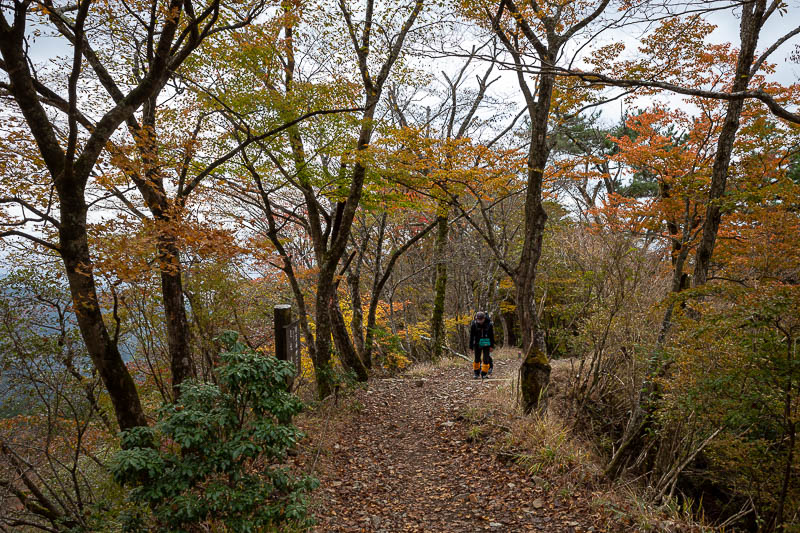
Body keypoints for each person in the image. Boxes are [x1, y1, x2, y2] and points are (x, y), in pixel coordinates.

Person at [468, 311, 495, 379]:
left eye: (481, 319)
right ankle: (476, 373)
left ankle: (484, 374)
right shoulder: (474, 324)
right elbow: (471, 336)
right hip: (477, 343)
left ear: (484, 318)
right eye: (478, 319)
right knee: (477, 359)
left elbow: (491, 336)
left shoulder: (489, 324)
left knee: (486, 359)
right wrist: (471, 347)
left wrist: (492, 346)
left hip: (487, 343)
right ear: (476, 318)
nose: (480, 321)